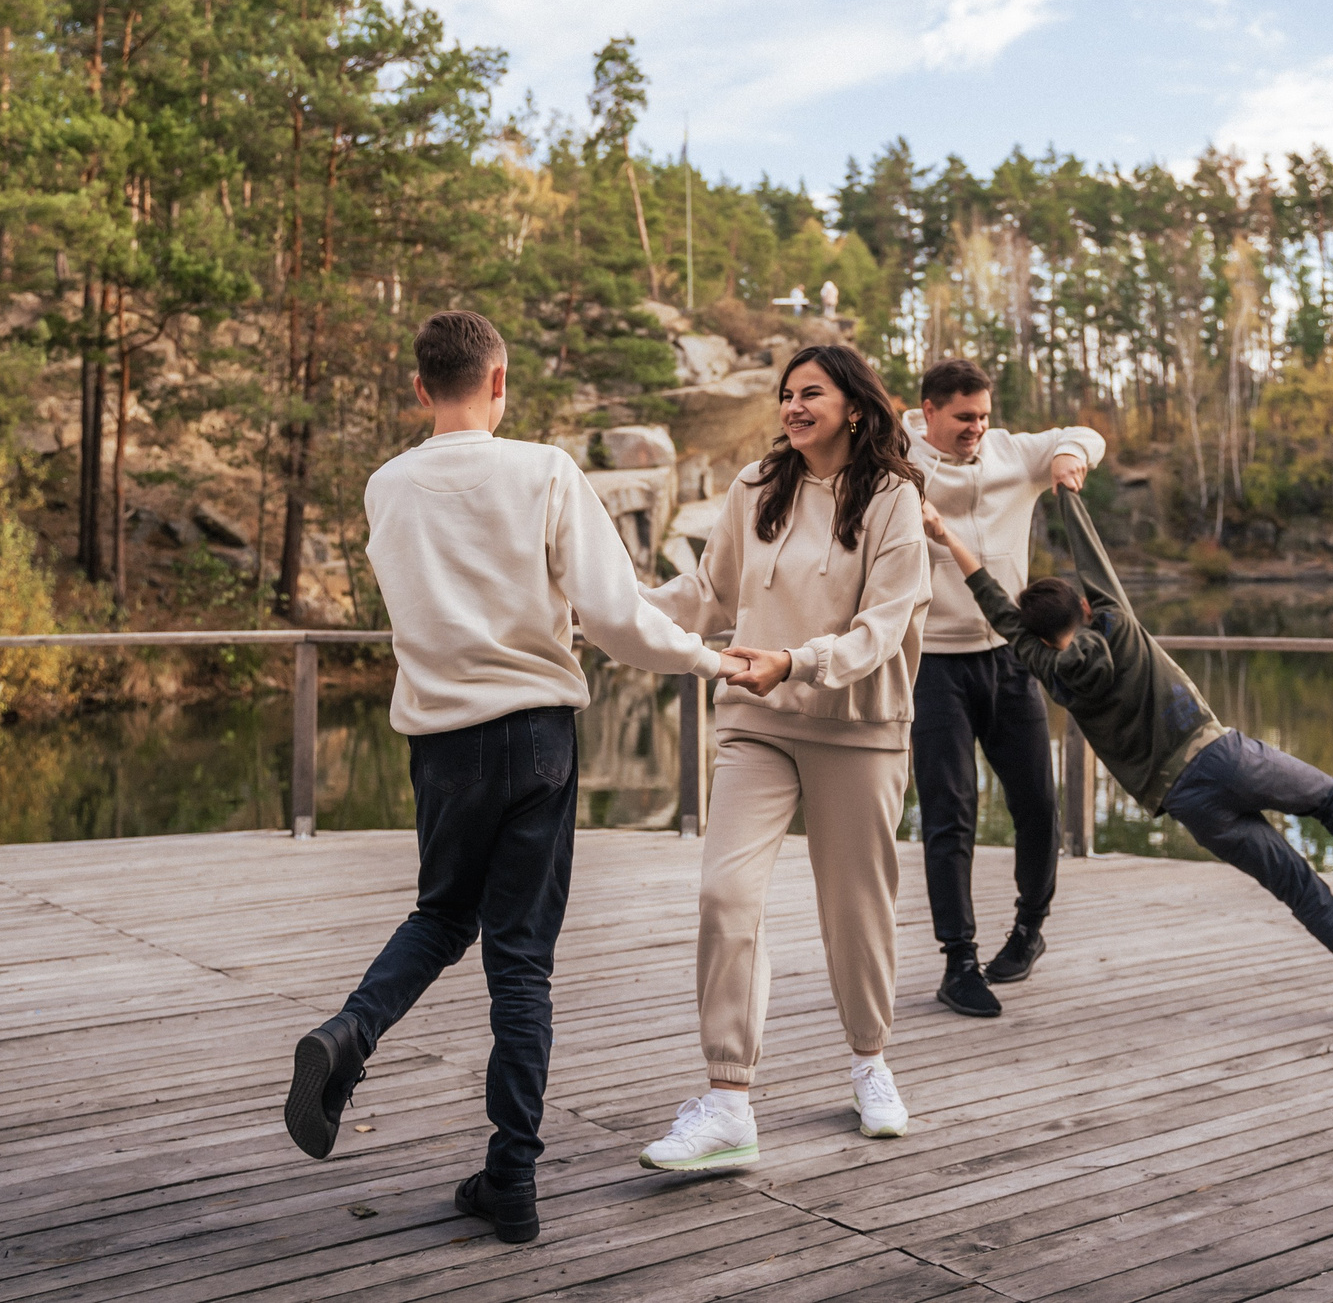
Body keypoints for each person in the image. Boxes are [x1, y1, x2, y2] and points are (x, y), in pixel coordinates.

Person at [281, 310, 735, 1245]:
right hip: (535, 736)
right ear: (500, 383)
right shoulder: (544, 470)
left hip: (443, 744)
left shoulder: (386, 486)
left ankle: (350, 1034)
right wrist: (712, 660)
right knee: (520, 963)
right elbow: (615, 617)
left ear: (419, 388)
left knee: (442, 915)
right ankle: (512, 1181)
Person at [923, 489, 1333, 1018]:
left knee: (1300, 889)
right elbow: (1092, 555)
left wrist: (945, 534)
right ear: (1086, 607)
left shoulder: (1044, 667)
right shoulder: (1118, 624)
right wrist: (1068, 495)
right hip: (1221, 757)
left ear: (1037, 641)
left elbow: (996, 605)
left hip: (1184, 801)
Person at [633, 344, 932, 1171]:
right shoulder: (754, 489)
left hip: (858, 724)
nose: (793, 407)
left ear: (856, 408)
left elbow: (882, 626)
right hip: (757, 720)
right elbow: (705, 596)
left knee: (856, 910)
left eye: (812, 393)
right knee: (725, 894)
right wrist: (611, 609)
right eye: (787, 395)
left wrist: (797, 661)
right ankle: (728, 1100)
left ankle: (870, 1060)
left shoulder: (895, 499)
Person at [902, 358, 1107, 1019]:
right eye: (964, 417)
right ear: (929, 410)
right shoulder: (895, 460)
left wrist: (1068, 458)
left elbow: (1085, 434)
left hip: (1011, 658)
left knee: (1037, 806)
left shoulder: (1010, 450)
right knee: (949, 812)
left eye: (984, 415)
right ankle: (958, 959)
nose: (977, 428)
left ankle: (1029, 927)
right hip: (934, 662)